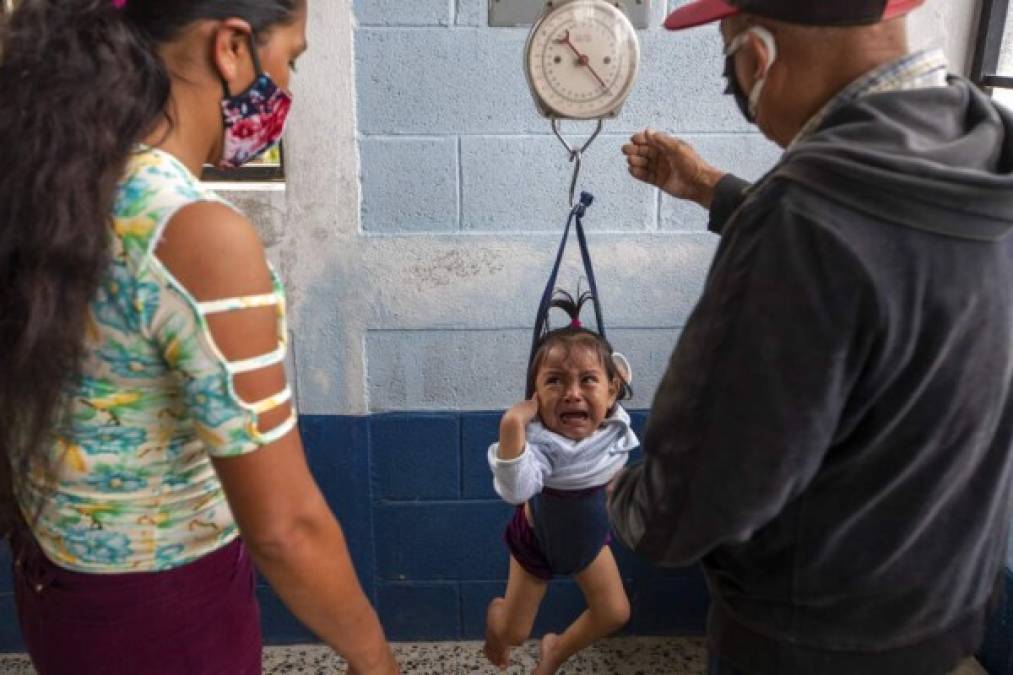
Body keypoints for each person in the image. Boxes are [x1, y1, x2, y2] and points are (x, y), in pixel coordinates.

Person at [612, 1, 1013, 675]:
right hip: (946, 615)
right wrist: (714, 189)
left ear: (759, 56)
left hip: (800, 646)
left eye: (728, 64)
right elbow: (894, 270)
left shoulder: (797, 218)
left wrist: (614, 488)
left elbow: (688, 502)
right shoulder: (984, 143)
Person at [0, 1, 398, 673]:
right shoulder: (197, 233)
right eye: (291, 58)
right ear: (231, 49)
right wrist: (377, 662)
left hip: (57, 586)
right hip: (164, 617)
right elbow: (286, 526)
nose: (289, 86)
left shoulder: (57, 187)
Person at [483, 291, 638, 674]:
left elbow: (622, 464)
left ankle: (555, 651)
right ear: (534, 395)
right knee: (515, 634)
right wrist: (512, 426)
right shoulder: (539, 442)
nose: (572, 393)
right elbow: (516, 491)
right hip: (539, 543)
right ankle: (495, 619)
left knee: (614, 612)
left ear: (612, 390)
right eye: (555, 381)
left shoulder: (612, 425)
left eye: (588, 380)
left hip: (588, 541)